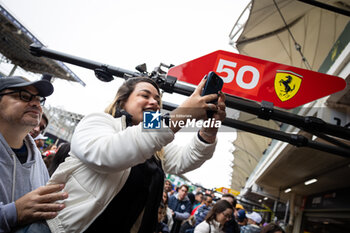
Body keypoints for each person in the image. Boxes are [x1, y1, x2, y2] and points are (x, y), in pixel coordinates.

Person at [46, 76, 226, 233]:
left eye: (157, 99)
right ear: (122, 101)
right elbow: (107, 154)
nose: (154, 102)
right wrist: (182, 114)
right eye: (145, 95)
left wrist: (210, 129)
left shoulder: (156, 147)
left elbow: (186, 159)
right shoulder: (99, 121)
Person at [0, 76, 67, 232]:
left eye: (39, 99)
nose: (36, 103)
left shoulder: (36, 158)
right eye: (24, 96)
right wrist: (14, 213)